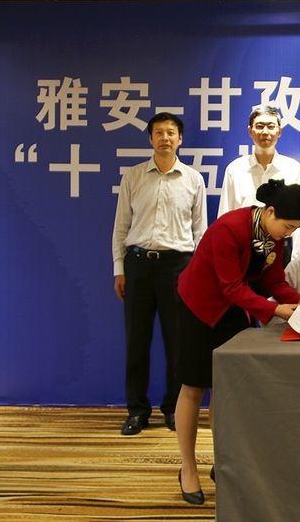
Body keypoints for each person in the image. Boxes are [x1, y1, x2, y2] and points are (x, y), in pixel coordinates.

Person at [173, 180, 300, 505]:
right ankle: (187, 468)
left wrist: (299, 301)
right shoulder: (229, 228)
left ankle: (223, 461)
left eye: (296, 229)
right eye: (288, 226)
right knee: (194, 386)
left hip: (235, 310)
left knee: (226, 390)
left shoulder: (274, 236)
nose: (289, 234)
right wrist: (278, 310)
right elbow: (231, 287)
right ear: (270, 212)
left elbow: (273, 280)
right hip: (200, 307)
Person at [111, 112, 206, 436]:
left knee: (177, 344)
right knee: (136, 342)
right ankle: (137, 411)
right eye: (159, 132)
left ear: (180, 139)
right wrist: (119, 269)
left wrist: (196, 275)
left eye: (171, 132)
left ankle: (173, 409)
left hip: (179, 267)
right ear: (150, 139)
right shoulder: (134, 176)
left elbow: (200, 232)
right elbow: (121, 228)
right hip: (138, 266)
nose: (165, 138)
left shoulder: (193, 179)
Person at [218, 104, 300, 262]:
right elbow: (225, 215)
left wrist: (297, 260)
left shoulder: (294, 169)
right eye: (259, 126)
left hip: (282, 249)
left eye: (271, 126)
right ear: (250, 131)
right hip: (243, 247)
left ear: (279, 131)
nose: (265, 132)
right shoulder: (235, 169)